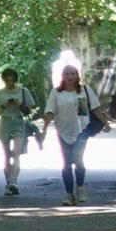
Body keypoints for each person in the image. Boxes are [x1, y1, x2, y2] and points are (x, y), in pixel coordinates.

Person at [40, 63, 101, 205]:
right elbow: (50, 111)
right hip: (63, 131)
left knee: (78, 160)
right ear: (62, 76)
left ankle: (80, 188)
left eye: (72, 73)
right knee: (67, 163)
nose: (70, 76)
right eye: (67, 73)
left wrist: (106, 123)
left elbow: (96, 108)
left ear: (77, 76)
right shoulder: (56, 93)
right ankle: (69, 195)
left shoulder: (85, 90)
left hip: (82, 130)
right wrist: (44, 130)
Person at [0, 68, 37, 195]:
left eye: (12, 81)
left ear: (16, 80)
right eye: (7, 81)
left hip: (18, 121)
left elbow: (29, 111)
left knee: (16, 153)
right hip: (4, 122)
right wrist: (5, 105)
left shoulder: (23, 91)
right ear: (4, 81)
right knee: (6, 155)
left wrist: (20, 105)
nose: (10, 83)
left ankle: (14, 181)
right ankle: (8, 183)